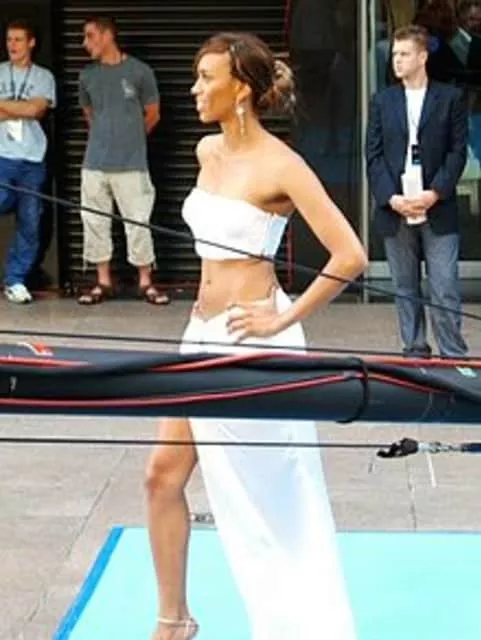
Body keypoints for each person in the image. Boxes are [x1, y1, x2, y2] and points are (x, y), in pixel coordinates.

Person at [145, 31, 367, 640]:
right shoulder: (206, 151)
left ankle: (302, 626)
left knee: (272, 500)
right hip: (200, 333)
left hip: (252, 340)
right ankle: (173, 621)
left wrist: (283, 320)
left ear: (240, 88)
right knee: (161, 475)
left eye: (206, 78)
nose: (195, 89)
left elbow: (350, 255)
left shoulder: (282, 165)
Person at [366, 25, 468, 358]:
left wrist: (435, 192)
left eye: (404, 54)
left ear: (422, 57)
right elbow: (373, 155)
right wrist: (391, 198)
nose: (396, 60)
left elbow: (457, 152)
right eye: (394, 54)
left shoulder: (450, 98)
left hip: (437, 204)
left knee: (444, 286)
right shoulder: (382, 101)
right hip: (396, 206)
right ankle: (414, 351)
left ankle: (453, 356)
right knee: (405, 287)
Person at [77, 15, 169, 305]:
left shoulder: (140, 71)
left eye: (90, 36)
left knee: (138, 222)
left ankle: (145, 282)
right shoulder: (87, 76)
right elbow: (90, 115)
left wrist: (130, 139)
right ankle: (103, 282)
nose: (85, 43)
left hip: (131, 164)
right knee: (94, 221)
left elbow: (153, 114)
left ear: (107, 36)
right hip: (94, 163)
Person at [0, 19, 56, 303]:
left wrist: (6, 107)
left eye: (18, 40)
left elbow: (36, 110)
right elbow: (28, 107)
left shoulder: (44, 77)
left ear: (31, 43)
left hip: (32, 159)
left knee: (30, 222)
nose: (12, 45)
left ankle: (15, 280)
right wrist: (22, 107)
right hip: (2, 156)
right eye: (9, 39)